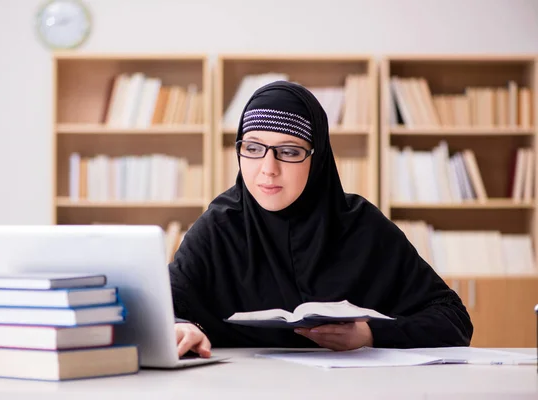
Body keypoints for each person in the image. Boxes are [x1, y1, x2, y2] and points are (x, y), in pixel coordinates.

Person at [169, 80, 473, 358]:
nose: (268, 168)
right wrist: (179, 326)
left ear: (318, 158)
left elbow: (453, 319)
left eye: (288, 152)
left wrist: (370, 334)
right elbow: (164, 307)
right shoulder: (219, 226)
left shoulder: (363, 226)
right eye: (252, 148)